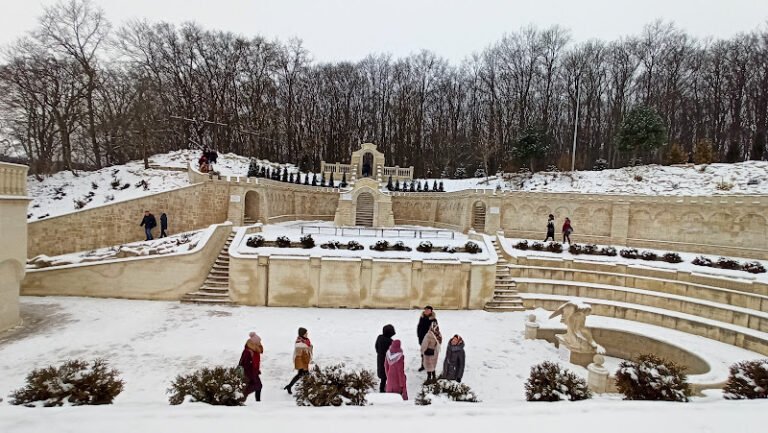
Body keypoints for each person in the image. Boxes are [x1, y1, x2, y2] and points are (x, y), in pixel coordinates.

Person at [284, 327, 313, 394]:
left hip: (305, 361)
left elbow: (308, 349)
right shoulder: (299, 342)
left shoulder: (305, 340)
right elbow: (300, 354)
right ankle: (306, 389)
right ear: (302, 334)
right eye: (306, 333)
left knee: (301, 375)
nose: (307, 334)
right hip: (301, 362)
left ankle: (290, 386)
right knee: (304, 374)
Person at [238, 332, 264, 401]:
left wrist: (256, 370)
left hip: (253, 372)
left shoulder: (255, 351)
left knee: (258, 386)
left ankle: (242, 398)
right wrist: (251, 375)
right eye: (258, 342)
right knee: (256, 386)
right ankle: (240, 397)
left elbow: (254, 363)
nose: (260, 344)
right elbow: (245, 364)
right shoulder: (248, 351)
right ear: (254, 343)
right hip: (249, 374)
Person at [375, 324, 396, 393]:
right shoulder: (390, 342)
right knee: (389, 376)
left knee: (383, 377)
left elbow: (376, 347)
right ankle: (389, 389)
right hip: (388, 362)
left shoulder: (379, 338)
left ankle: (382, 389)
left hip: (380, 359)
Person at [416, 306, 437, 371]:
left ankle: (429, 366)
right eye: (425, 310)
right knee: (423, 352)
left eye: (428, 310)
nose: (426, 311)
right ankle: (423, 365)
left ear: (431, 311)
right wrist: (418, 335)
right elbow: (419, 327)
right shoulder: (422, 318)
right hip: (421, 338)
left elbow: (435, 330)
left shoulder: (433, 320)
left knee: (429, 353)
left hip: (429, 340)